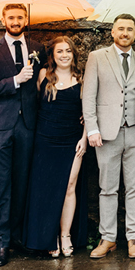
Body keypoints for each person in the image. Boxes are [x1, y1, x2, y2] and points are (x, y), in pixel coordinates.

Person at [83, 14, 135, 260]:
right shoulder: (97, 57)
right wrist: (92, 129)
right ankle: (107, 238)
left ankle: (133, 237)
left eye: (130, 29)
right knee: (107, 188)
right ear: (113, 33)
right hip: (106, 134)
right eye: (121, 29)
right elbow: (88, 95)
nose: (125, 33)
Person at [0, 3, 46, 267]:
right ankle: (2, 244)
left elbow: (46, 84)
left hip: (28, 125)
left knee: (22, 185)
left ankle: (18, 237)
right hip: (0, 127)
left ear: (26, 19)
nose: (16, 21)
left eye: (20, 17)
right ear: (4, 19)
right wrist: (16, 80)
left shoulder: (38, 48)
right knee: (1, 187)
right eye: (11, 17)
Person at [24, 36, 88, 257]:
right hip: (46, 138)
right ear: (52, 55)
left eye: (68, 51)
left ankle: (66, 234)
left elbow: (89, 111)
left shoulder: (81, 78)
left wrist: (85, 138)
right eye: (59, 51)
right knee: (47, 189)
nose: (64, 55)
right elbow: (30, 103)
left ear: (74, 54)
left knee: (70, 185)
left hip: (73, 139)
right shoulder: (43, 75)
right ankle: (48, 237)